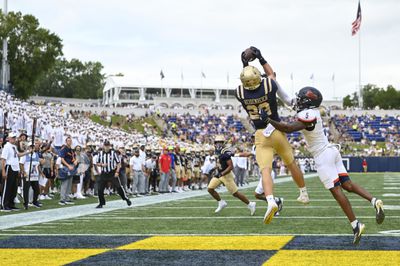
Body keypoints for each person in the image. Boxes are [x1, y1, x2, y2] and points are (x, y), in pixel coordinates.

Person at [262, 86, 385, 245]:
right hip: (331, 150)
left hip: (322, 156)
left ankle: (356, 225)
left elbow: (288, 128)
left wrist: (268, 120)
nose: (298, 100)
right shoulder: (312, 112)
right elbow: (288, 103)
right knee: (347, 184)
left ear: (307, 101)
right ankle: (374, 201)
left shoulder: (307, 114)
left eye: (300, 98)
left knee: (337, 192)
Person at [238, 46, 309, 224]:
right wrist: (260, 58)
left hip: (261, 134)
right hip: (277, 129)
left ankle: (270, 200)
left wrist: (245, 64)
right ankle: (303, 192)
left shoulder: (239, 93)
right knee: (290, 163)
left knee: (265, 170)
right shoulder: (269, 85)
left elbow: (247, 82)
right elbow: (271, 75)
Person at [207, 135, 256, 216]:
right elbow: (219, 162)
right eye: (217, 142)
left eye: (220, 142)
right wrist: (214, 169)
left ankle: (250, 204)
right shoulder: (216, 151)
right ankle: (221, 202)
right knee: (210, 189)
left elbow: (230, 166)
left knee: (235, 193)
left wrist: (221, 173)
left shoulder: (225, 152)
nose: (218, 144)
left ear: (223, 143)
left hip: (226, 175)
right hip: (219, 174)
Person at [96, 140, 131, 208]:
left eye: (107, 146)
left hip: (112, 172)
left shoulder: (113, 153)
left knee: (118, 186)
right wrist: (102, 165)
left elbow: (118, 163)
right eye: (105, 146)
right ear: (103, 146)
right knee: (100, 188)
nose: (106, 147)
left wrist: (117, 172)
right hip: (104, 173)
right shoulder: (100, 153)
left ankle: (126, 198)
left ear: (109, 146)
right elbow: (97, 163)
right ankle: (101, 203)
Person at [1, 132, 31, 211]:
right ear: (9, 138)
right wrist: (3, 170)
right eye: (12, 138)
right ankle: (5, 204)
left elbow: (18, 155)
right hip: (9, 167)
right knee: (7, 187)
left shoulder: (14, 146)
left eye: (14, 138)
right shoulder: (6, 146)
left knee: (13, 188)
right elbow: (3, 159)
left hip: (15, 168)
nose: (14, 139)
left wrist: (27, 152)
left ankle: (11, 204)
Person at [20, 139, 43, 209]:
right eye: (31, 147)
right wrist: (23, 172)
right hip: (27, 175)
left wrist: (40, 172)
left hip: (35, 175)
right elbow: (21, 164)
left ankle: (35, 201)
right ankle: (26, 203)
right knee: (26, 190)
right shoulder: (25, 154)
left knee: (36, 189)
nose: (32, 148)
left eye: (33, 147)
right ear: (28, 147)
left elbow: (37, 165)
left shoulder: (36, 155)